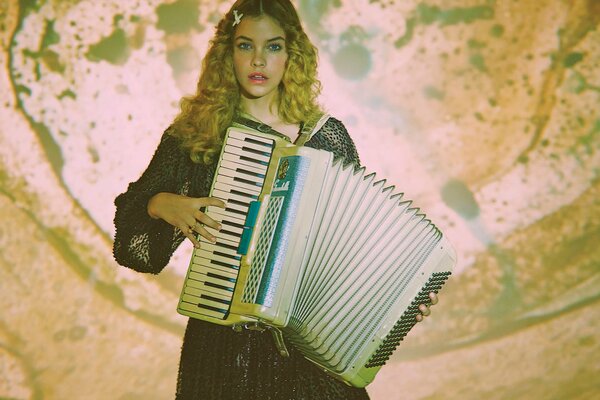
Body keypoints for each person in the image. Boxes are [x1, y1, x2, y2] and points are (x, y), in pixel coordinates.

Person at [113, 0, 437, 398]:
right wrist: (161, 204)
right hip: (223, 355)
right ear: (226, 53)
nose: (259, 60)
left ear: (291, 54)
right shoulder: (195, 137)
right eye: (245, 45)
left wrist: (402, 299)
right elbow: (135, 251)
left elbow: (354, 245)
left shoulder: (325, 136)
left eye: (274, 46)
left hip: (308, 359)